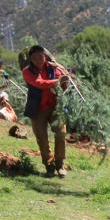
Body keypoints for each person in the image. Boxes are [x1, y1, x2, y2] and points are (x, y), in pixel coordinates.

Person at [22, 45, 69, 178]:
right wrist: (58, 81)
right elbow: (39, 83)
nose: (38, 60)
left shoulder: (55, 68)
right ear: (30, 59)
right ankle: (49, 165)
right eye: (35, 58)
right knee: (42, 138)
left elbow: (64, 82)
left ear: (45, 56)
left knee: (61, 133)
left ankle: (60, 165)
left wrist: (65, 80)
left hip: (55, 106)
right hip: (37, 109)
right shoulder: (27, 71)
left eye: (41, 57)